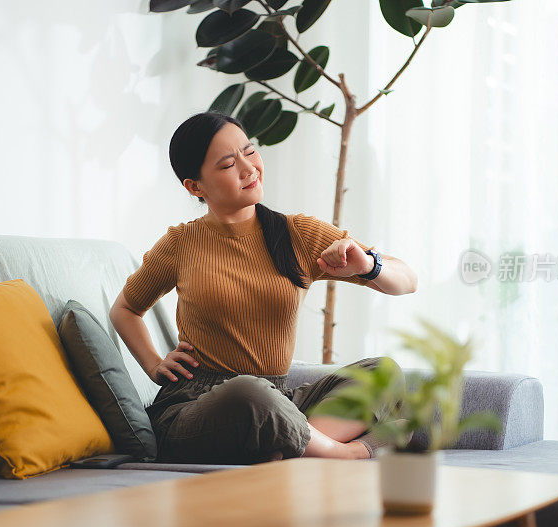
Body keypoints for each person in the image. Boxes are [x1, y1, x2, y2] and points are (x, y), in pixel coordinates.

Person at [109, 111, 418, 465]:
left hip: (277, 398)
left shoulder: (295, 234)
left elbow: (407, 280)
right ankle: (341, 452)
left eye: (249, 151)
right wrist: (153, 365)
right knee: (248, 392)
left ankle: (282, 447)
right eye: (228, 164)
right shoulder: (182, 242)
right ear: (195, 186)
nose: (248, 168)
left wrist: (368, 266)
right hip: (200, 406)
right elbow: (125, 310)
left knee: (383, 373)